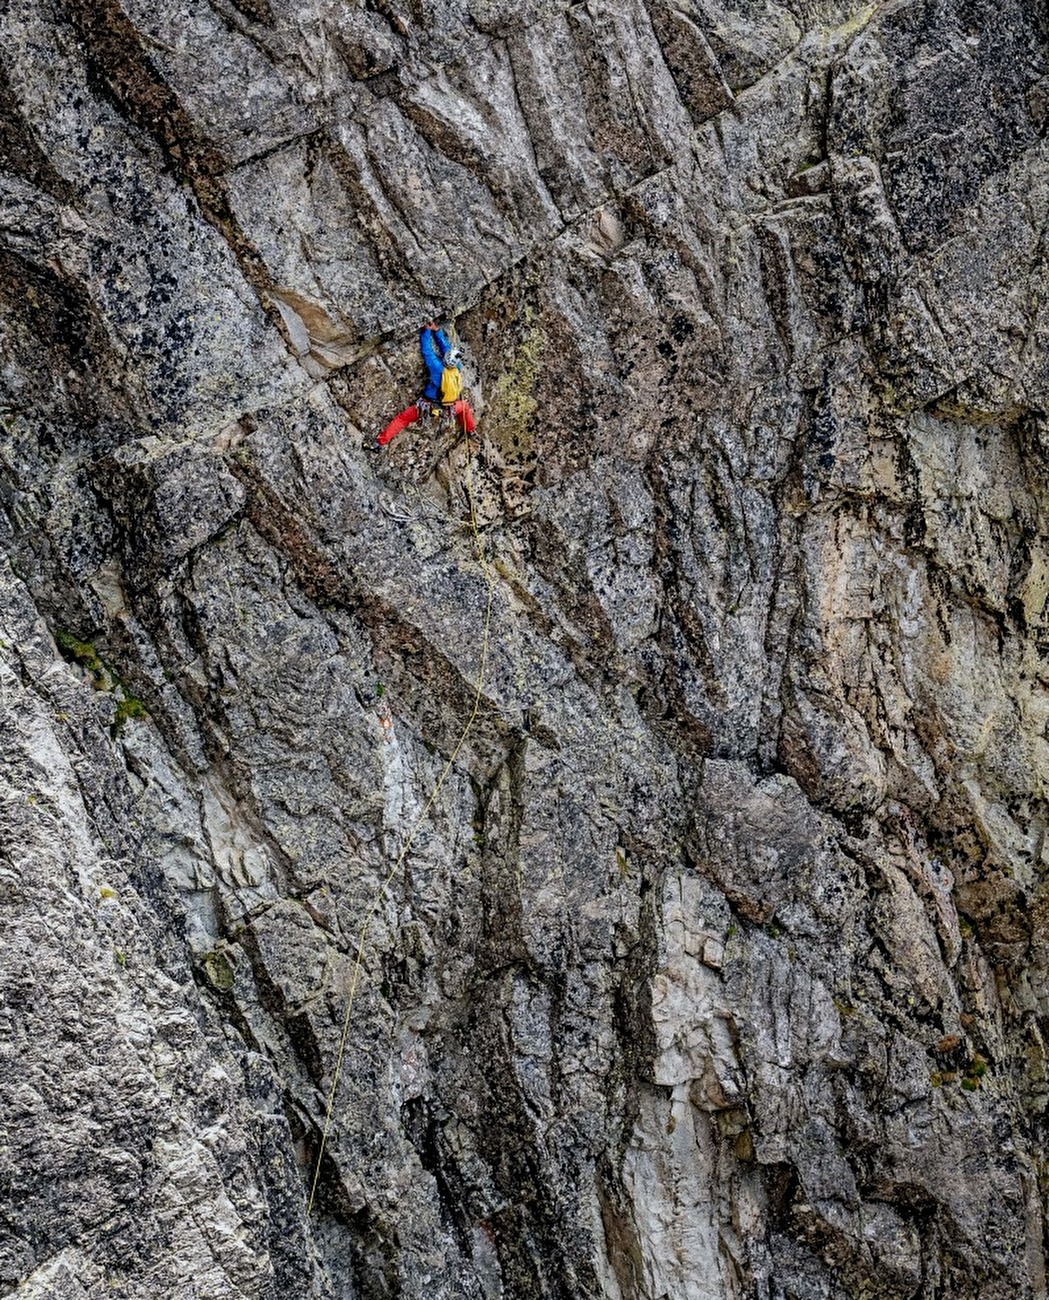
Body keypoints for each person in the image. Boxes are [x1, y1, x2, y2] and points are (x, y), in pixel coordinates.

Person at [370, 321, 475, 450]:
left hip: (427, 407)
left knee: (403, 418)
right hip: (449, 408)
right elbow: (446, 349)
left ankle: (379, 443)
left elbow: (427, 351)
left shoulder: (438, 369)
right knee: (464, 406)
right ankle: (470, 430)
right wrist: (437, 332)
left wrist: (426, 331)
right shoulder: (457, 368)